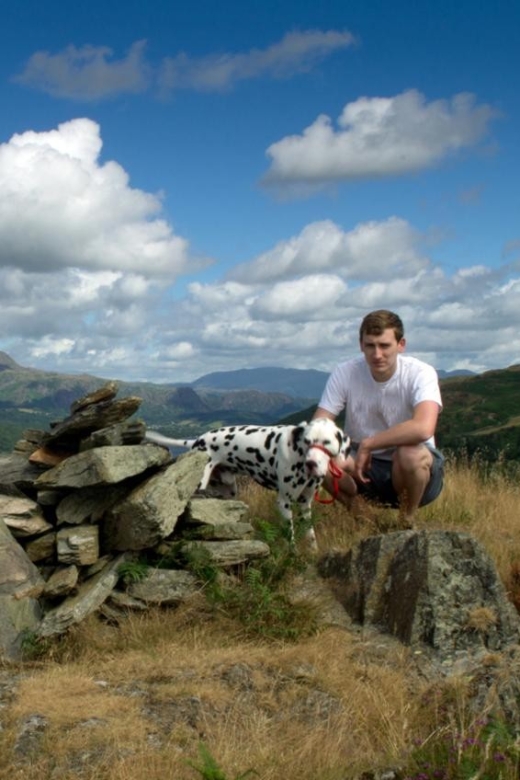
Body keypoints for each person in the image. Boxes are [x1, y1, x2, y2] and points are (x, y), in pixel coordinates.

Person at [313, 309, 444, 526]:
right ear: (360, 345)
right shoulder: (345, 372)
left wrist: (369, 444)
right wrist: (336, 451)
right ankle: (365, 521)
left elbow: (423, 428)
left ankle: (406, 520)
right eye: (370, 345)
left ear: (401, 344)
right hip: (360, 465)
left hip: (412, 472)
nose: (377, 354)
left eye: (384, 346)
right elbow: (319, 425)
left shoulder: (421, 373)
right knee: (318, 456)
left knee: (410, 453)